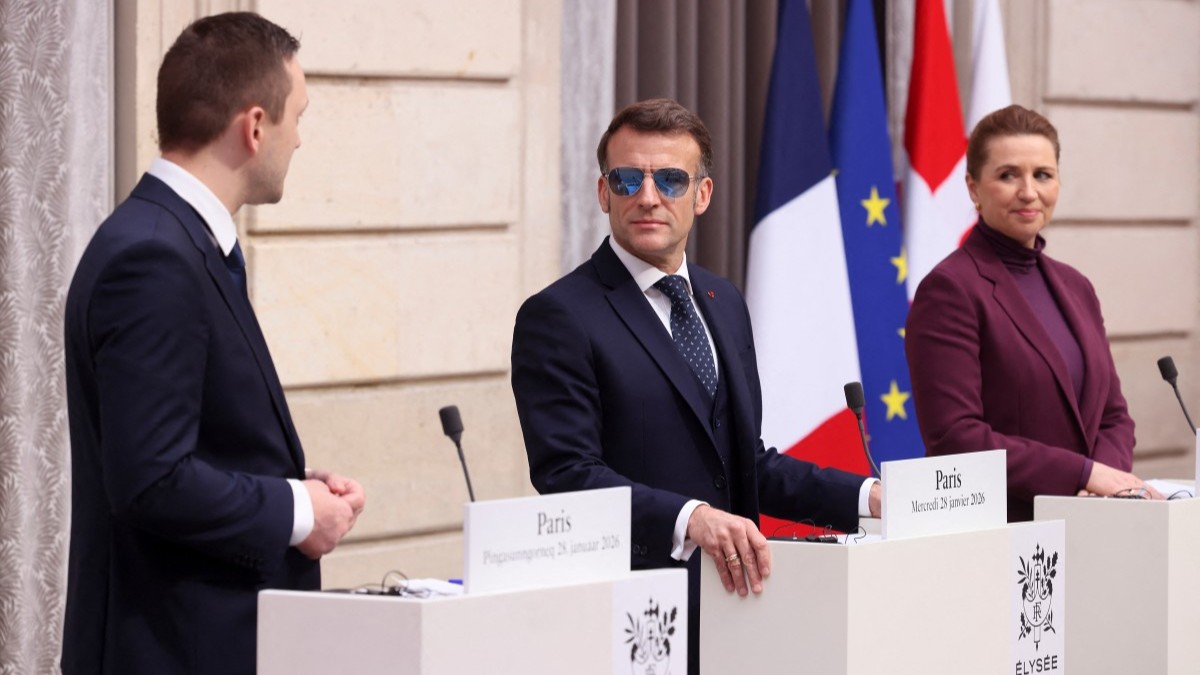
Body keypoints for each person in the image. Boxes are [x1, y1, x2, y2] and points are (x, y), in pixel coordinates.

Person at [511, 98, 879, 674]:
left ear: (702, 195)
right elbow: (566, 474)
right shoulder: (558, 315)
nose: (648, 197)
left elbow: (743, 463)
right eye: (627, 179)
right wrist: (691, 517)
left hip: (740, 611)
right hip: (632, 618)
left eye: (672, 180)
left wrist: (864, 499)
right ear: (603, 192)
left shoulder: (723, 300)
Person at [62, 13, 365, 675]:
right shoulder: (153, 256)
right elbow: (151, 479)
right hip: (170, 649)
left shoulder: (174, 242)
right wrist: (293, 511)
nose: (300, 140)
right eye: (298, 117)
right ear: (254, 127)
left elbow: (184, 444)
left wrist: (290, 486)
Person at [906, 104, 1160, 522]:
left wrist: (1105, 485)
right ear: (973, 188)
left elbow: (1113, 415)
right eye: (1008, 175)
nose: (1029, 192)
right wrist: (1084, 474)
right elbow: (955, 438)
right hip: (1002, 534)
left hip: (1095, 523)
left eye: (1043, 174)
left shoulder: (1077, 287)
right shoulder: (950, 289)